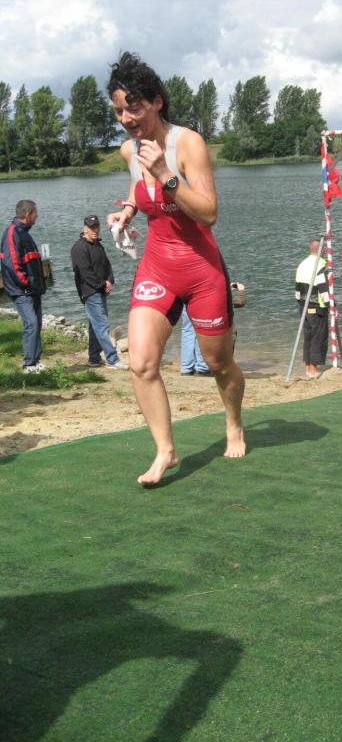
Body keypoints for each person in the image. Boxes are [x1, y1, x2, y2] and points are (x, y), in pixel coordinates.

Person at [106, 51, 245, 486]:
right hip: (157, 267)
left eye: (133, 108)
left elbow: (208, 213)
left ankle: (234, 421)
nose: (126, 119)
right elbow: (138, 183)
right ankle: (165, 449)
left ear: (157, 102)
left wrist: (166, 172)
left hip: (201, 270)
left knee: (218, 362)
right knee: (141, 362)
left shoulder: (187, 144)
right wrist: (128, 211)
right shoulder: (129, 150)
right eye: (119, 111)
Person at [71, 214, 128, 370]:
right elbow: (86, 273)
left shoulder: (98, 245)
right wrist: (103, 284)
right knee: (102, 325)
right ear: (85, 229)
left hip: (100, 290)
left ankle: (94, 358)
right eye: (91, 228)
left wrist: (110, 280)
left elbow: (107, 265)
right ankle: (112, 359)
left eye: (97, 227)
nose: (95, 230)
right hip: (90, 292)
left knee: (95, 325)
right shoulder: (79, 248)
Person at [0, 199, 46, 373]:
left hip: (33, 289)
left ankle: (36, 360)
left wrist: (37, 285)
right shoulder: (13, 233)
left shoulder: (24, 233)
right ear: (27, 214)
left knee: (37, 323)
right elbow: (13, 265)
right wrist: (26, 284)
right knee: (31, 323)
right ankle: (28, 364)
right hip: (22, 290)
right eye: (35, 213)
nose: (37, 216)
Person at [295, 239, 330, 378]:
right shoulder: (321, 264)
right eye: (325, 249)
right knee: (318, 337)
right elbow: (323, 288)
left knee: (308, 337)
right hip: (317, 307)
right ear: (322, 250)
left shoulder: (302, 264)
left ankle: (308, 368)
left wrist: (301, 304)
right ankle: (313, 370)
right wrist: (331, 306)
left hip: (303, 306)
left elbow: (297, 290)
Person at [180, 305, 211, 376]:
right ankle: (202, 368)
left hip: (186, 300)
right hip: (202, 300)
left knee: (187, 330)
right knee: (203, 328)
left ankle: (186, 368)